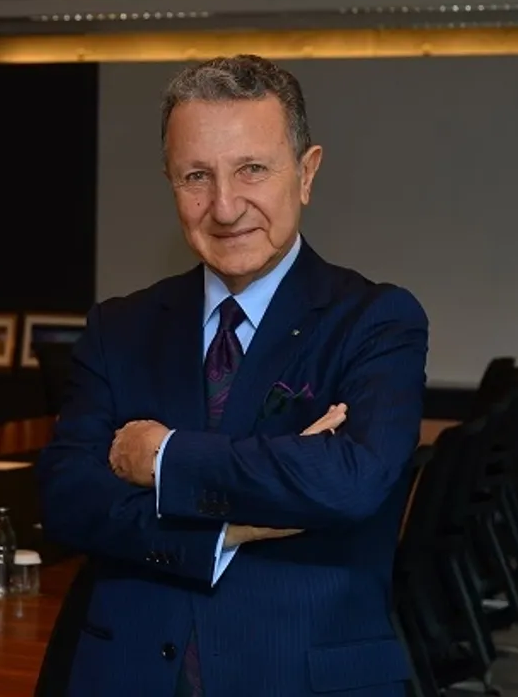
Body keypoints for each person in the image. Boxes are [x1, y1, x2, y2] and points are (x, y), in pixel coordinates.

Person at [37, 54, 429, 697]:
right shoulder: (119, 327)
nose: (224, 207)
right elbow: (68, 499)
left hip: (301, 680)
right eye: (196, 176)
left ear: (307, 172)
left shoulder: (376, 320)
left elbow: (351, 481)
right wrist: (229, 528)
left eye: (252, 169)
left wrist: (163, 458)